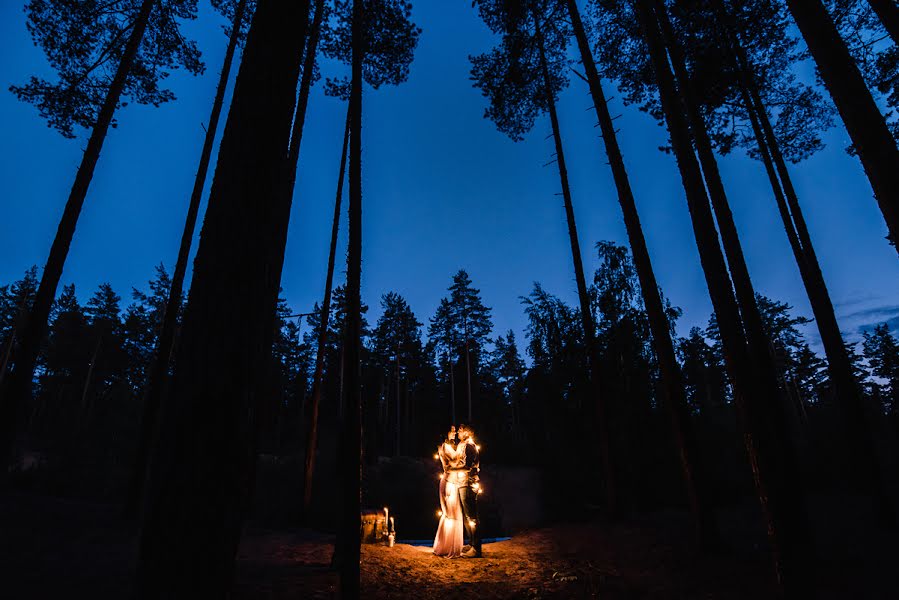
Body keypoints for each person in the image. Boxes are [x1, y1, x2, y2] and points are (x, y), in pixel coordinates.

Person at [433, 426, 464, 558]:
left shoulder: (445, 446)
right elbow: (450, 467)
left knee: (450, 514)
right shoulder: (446, 447)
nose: (455, 432)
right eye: (451, 430)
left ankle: (444, 545)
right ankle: (450, 548)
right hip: (450, 483)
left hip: (449, 481)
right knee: (452, 515)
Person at [457, 424, 482, 558]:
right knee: (468, 516)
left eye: (461, 431)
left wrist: (452, 469)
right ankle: (472, 543)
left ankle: (476, 548)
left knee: (471, 516)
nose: (458, 433)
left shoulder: (469, 446)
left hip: (468, 483)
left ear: (467, 432)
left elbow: (468, 466)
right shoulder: (465, 445)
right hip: (463, 482)